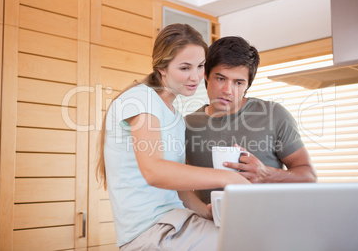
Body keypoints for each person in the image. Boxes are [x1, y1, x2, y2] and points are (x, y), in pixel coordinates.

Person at [96, 24, 250, 251]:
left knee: (249, 234)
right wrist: (227, 178)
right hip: (149, 232)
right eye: (185, 68)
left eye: (200, 66)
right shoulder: (140, 99)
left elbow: (178, 187)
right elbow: (155, 172)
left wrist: (204, 211)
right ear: (162, 67)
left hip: (175, 220)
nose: (196, 76)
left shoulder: (175, 116)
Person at [185, 36, 317, 204]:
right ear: (206, 75)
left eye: (238, 83)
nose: (227, 90)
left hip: (268, 223)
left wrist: (267, 175)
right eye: (220, 78)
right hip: (209, 225)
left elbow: (309, 176)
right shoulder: (187, 126)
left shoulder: (274, 115)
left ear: (247, 85)